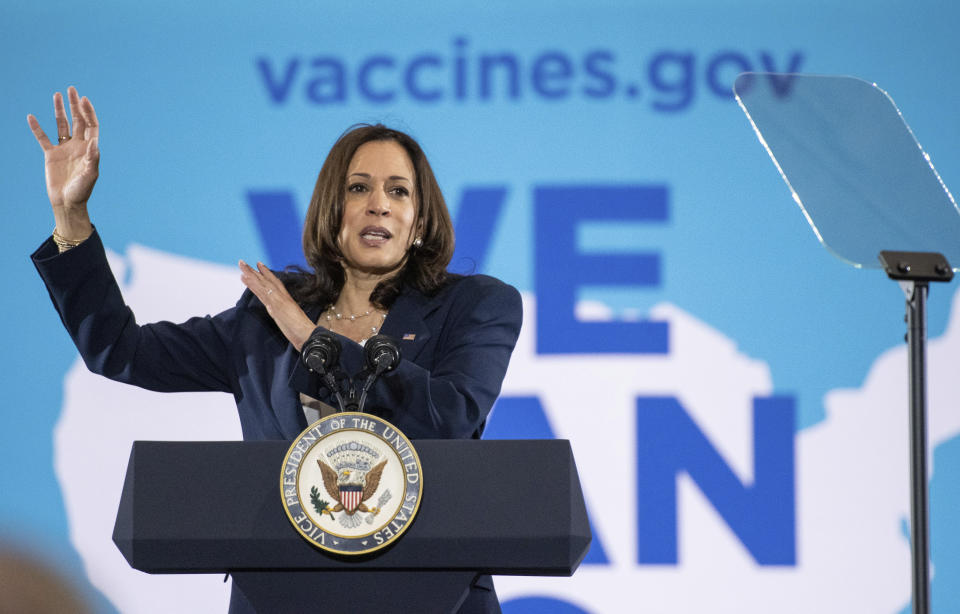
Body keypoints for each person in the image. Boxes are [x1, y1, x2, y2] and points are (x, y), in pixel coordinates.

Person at [28, 86, 522, 613]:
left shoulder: (474, 305)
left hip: (432, 594)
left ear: (419, 222)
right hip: (283, 594)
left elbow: (450, 416)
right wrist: (71, 218)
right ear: (333, 211)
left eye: (399, 191)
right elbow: (120, 350)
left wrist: (314, 341)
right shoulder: (264, 320)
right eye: (359, 188)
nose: (379, 202)